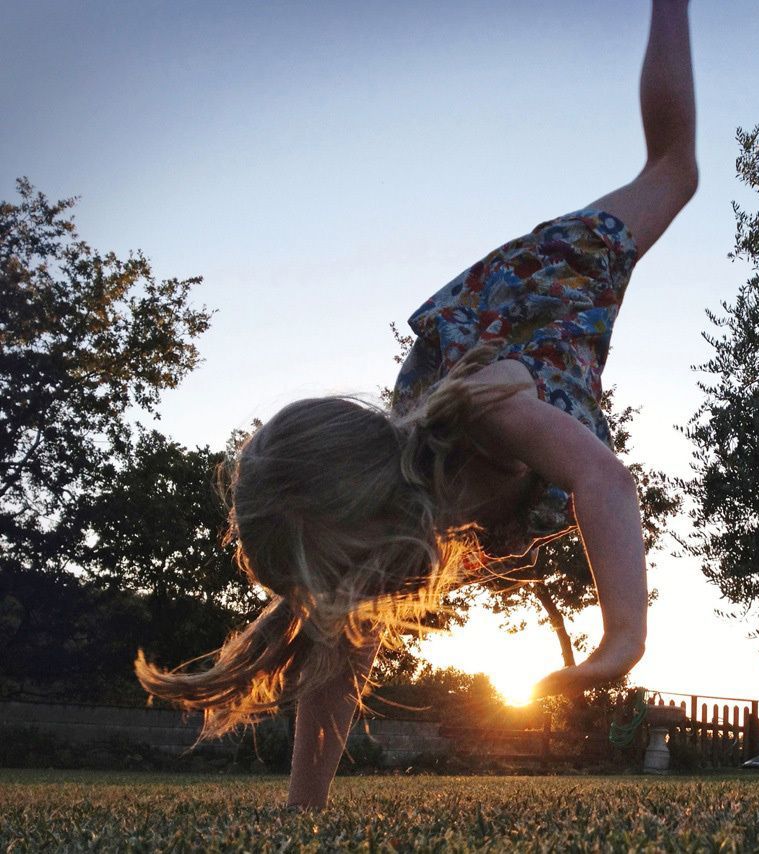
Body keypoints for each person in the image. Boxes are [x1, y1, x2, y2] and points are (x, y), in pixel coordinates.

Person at [135, 0, 696, 810]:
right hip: (469, 357)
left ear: (371, 513)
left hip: (544, 289)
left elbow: (603, 478)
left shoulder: (488, 412)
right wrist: (302, 814)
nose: (350, 602)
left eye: (339, 581)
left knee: (674, 171)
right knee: (346, 632)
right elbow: (334, 668)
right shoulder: (373, 541)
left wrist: (623, 637)